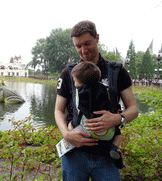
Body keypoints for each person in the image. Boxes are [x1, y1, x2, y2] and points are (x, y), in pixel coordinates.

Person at [54, 20, 138, 181]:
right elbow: (58, 110)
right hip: (74, 154)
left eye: (87, 43)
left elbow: (133, 108)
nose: (83, 50)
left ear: (97, 38)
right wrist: (66, 134)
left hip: (106, 155)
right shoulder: (68, 73)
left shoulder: (117, 71)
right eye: (78, 46)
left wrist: (117, 118)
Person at [67, 61, 123, 169]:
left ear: (82, 83)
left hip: (89, 128)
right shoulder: (104, 89)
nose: (74, 84)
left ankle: (71, 139)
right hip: (107, 131)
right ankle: (113, 148)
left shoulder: (82, 92)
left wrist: (73, 124)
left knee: (71, 123)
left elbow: (83, 111)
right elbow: (110, 107)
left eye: (75, 81)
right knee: (118, 133)